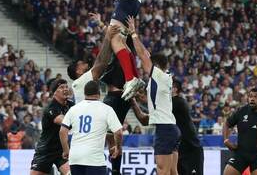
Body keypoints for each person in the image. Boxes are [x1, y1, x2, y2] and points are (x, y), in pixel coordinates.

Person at [127, 16, 179, 175]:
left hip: (164, 128)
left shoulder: (159, 76)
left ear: (155, 66)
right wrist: (144, 99)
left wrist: (133, 33)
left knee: (162, 170)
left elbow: (143, 55)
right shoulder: (165, 77)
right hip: (171, 127)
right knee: (171, 171)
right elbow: (146, 54)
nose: (144, 67)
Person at [131, 80, 203, 175]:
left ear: (174, 89)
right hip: (178, 148)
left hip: (191, 149)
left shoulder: (177, 102)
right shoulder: (169, 104)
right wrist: (135, 99)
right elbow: (145, 116)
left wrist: (133, 100)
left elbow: (144, 118)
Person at [59, 80, 123, 175]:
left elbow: (62, 131)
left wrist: (66, 150)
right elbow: (118, 132)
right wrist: (118, 147)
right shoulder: (107, 109)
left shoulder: (74, 109)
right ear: (99, 93)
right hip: (94, 159)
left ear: (85, 93)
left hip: (75, 157)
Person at [67, 16, 119, 103]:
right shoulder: (79, 82)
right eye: (81, 64)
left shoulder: (83, 82)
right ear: (78, 71)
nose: (84, 62)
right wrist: (108, 36)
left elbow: (100, 62)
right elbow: (101, 63)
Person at [30, 79, 72, 175]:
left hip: (62, 150)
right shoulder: (50, 108)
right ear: (54, 93)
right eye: (61, 87)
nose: (65, 89)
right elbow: (65, 122)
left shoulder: (71, 105)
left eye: (66, 87)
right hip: (46, 150)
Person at [223, 88, 257, 175]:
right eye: (250, 96)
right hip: (241, 153)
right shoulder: (242, 111)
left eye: (256, 97)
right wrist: (226, 140)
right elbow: (227, 124)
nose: (252, 99)